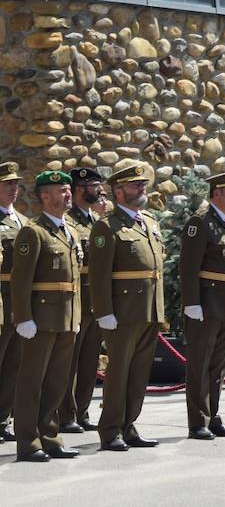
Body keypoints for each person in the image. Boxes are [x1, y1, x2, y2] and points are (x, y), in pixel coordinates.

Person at [88, 160, 165, 450]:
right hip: (122, 313)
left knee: (139, 373)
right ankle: (110, 430)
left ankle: (129, 424)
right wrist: (104, 311)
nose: (141, 188)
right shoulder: (106, 227)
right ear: (118, 191)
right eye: (135, 185)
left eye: (143, 183)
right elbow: (98, 275)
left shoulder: (149, 223)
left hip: (148, 310)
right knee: (119, 373)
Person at [8, 170, 81, 462]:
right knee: (32, 383)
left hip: (65, 317)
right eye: (62, 190)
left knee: (56, 382)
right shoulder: (33, 231)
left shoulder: (70, 231)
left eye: (67, 189)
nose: (67, 194)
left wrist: (76, 315)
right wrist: (23, 317)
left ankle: (50, 436)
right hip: (40, 319)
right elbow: (20, 279)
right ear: (44, 196)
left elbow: (73, 279)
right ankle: (28, 442)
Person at [179, 170, 225, 440]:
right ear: (216, 193)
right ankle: (198, 420)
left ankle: (213, 414)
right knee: (200, 363)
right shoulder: (201, 223)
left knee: (219, 365)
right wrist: (192, 303)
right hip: (207, 303)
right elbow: (188, 267)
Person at [58, 166, 105, 433]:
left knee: (89, 360)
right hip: (77, 297)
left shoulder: (96, 220)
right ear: (78, 190)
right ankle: (66, 413)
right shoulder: (68, 221)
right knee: (70, 361)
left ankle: (82, 410)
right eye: (93, 186)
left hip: (95, 299)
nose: (99, 190)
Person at [0, 161, 26, 445]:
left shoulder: (23, 221)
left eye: (16, 184)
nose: (13, 189)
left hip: (17, 304)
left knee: (13, 365)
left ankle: (2, 419)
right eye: (7, 184)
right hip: (1, 299)